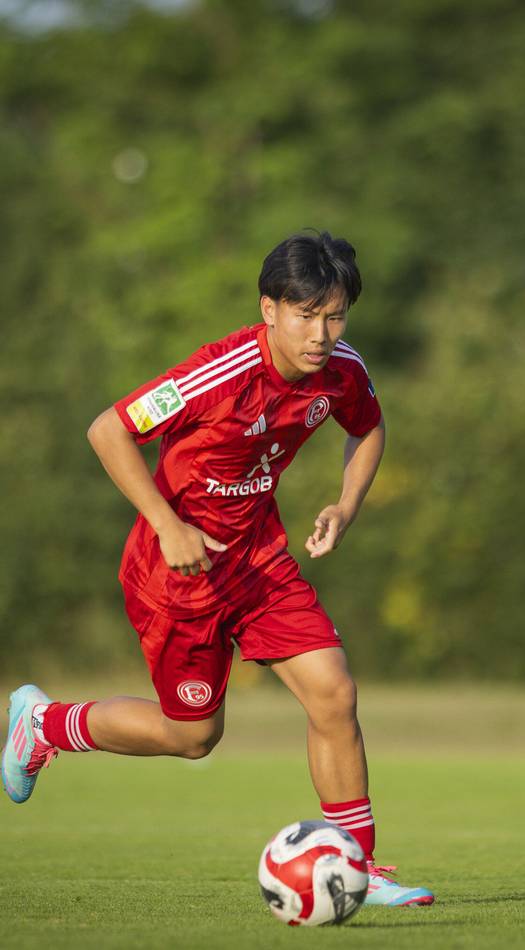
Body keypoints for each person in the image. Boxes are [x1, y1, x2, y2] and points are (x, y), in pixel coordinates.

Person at [1, 231, 434, 907]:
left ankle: (362, 868)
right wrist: (168, 525)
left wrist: (346, 505)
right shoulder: (219, 374)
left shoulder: (342, 370)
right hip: (175, 575)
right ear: (269, 309)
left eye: (336, 315)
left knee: (334, 693)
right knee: (195, 736)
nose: (322, 333)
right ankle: (46, 725)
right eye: (306, 314)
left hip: (259, 560)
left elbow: (369, 426)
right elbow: (107, 429)